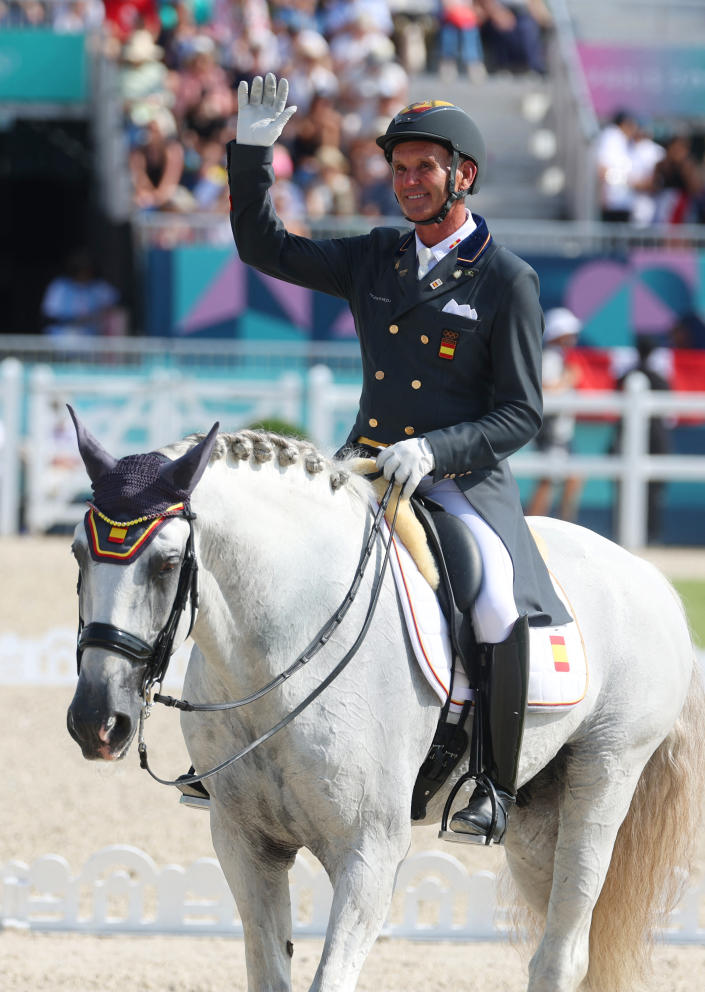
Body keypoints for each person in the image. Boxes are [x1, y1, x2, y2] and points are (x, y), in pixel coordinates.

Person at [226, 73, 571, 845]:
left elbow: (521, 412)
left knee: (492, 605)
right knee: (260, 570)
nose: (408, 183)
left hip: (455, 483)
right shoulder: (377, 256)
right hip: (364, 467)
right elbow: (263, 247)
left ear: (462, 175)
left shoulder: (506, 280)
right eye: (399, 168)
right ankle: (239, 757)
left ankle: (490, 778)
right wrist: (251, 155)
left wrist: (437, 449)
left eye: (423, 168)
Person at [526, 307, 582, 521]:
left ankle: (553, 525)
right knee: (549, 480)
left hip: (558, 431)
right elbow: (546, 388)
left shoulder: (555, 356)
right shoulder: (550, 357)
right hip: (553, 432)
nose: (574, 338)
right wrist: (569, 379)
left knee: (569, 478)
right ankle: (537, 525)